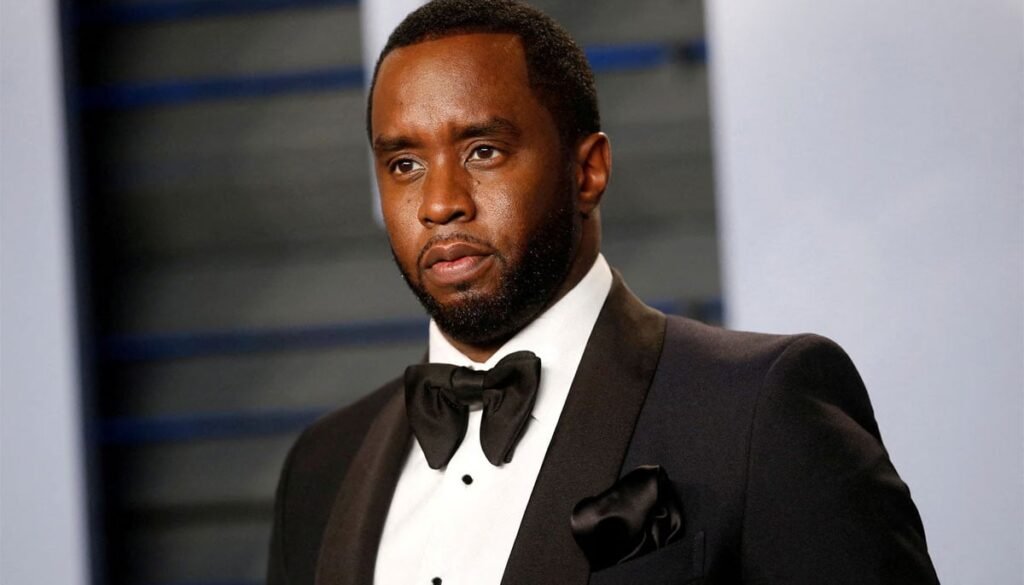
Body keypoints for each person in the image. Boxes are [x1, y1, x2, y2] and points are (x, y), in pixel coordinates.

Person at [266, 1, 939, 583]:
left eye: (483, 151)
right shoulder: (322, 465)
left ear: (588, 171)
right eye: (405, 163)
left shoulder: (760, 408)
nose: (440, 203)